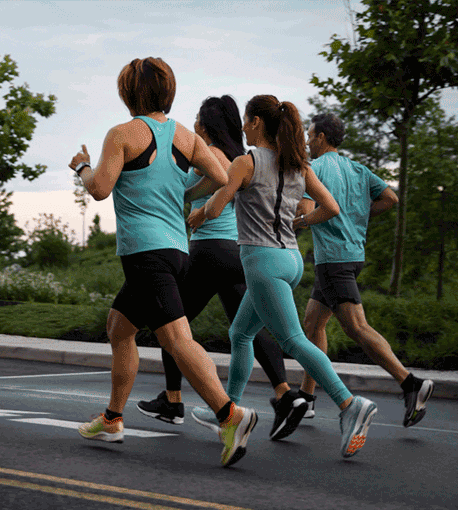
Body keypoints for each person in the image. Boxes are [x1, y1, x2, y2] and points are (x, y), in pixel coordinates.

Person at [67, 57, 258, 467]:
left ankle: (231, 415)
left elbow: (100, 188)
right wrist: (186, 195)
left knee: (175, 339)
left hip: (145, 254)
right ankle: (114, 418)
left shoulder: (122, 134)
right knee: (120, 328)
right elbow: (223, 177)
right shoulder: (186, 138)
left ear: (127, 92)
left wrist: (82, 166)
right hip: (176, 250)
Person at [189, 94, 377, 459]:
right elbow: (332, 207)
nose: (242, 126)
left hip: (262, 261)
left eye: (246, 120)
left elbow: (215, 204)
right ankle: (230, 411)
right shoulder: (297, 165)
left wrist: (198, 215)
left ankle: (349, 404)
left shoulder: (247, 162)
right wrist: (300, 221)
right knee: (240, 333)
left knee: (292, 339)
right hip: (291, 260)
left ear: (257, 122)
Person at [136, 95, 308, 441]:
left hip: (210, 251)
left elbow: (198, 186)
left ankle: (172, 401)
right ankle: (285, 394)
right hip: (236, 254)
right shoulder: (239, 157)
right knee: (248, 329)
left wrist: (184, 195)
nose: (195, 124)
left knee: (170, 321)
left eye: (199, 119)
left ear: (207, 124)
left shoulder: (213, 155)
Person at [297, 112, 434, 427]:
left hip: (333, 259)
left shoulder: (314, 169)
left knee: (356, 328)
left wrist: (296, 217)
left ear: (320, 137)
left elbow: (304, 211)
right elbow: (390, 198)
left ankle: (410, 382)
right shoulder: (357, 168)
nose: (306, 141)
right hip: (352, 255)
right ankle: (307, 397)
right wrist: (358, 215)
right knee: (313, 324)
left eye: (309, 135)